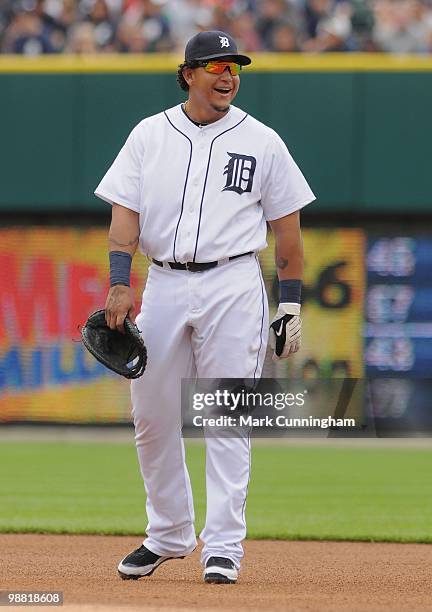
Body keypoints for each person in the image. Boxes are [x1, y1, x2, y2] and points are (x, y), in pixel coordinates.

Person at [94, 29, 315, 584]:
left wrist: (289, 305)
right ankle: (168, 533)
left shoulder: (263, 140)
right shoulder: (149, 135)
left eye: (234, 67)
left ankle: (223, 547)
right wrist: (121, 283)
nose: (228, 75)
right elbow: (124, 218)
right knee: (151, 413)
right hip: (165, 282)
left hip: (234, 281)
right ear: (188, 73)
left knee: (228, 413)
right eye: (216, 66)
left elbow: (288, 236)